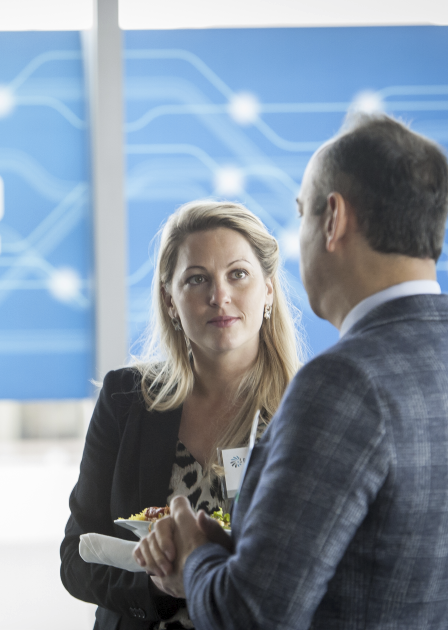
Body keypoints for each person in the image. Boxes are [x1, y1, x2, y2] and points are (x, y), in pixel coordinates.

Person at [134, 113, 448, 629]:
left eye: (300, 214)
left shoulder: (342, 384)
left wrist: (194, 555)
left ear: (333, 218)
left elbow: (247, 616)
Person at [60, 201, 302, 630]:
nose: (219, 296)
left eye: (238, 274)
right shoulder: (125, 399)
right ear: (170, 300)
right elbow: (75, 559)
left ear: (267, 290)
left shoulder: (305, 411)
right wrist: (162, 590)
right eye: (196, 279)